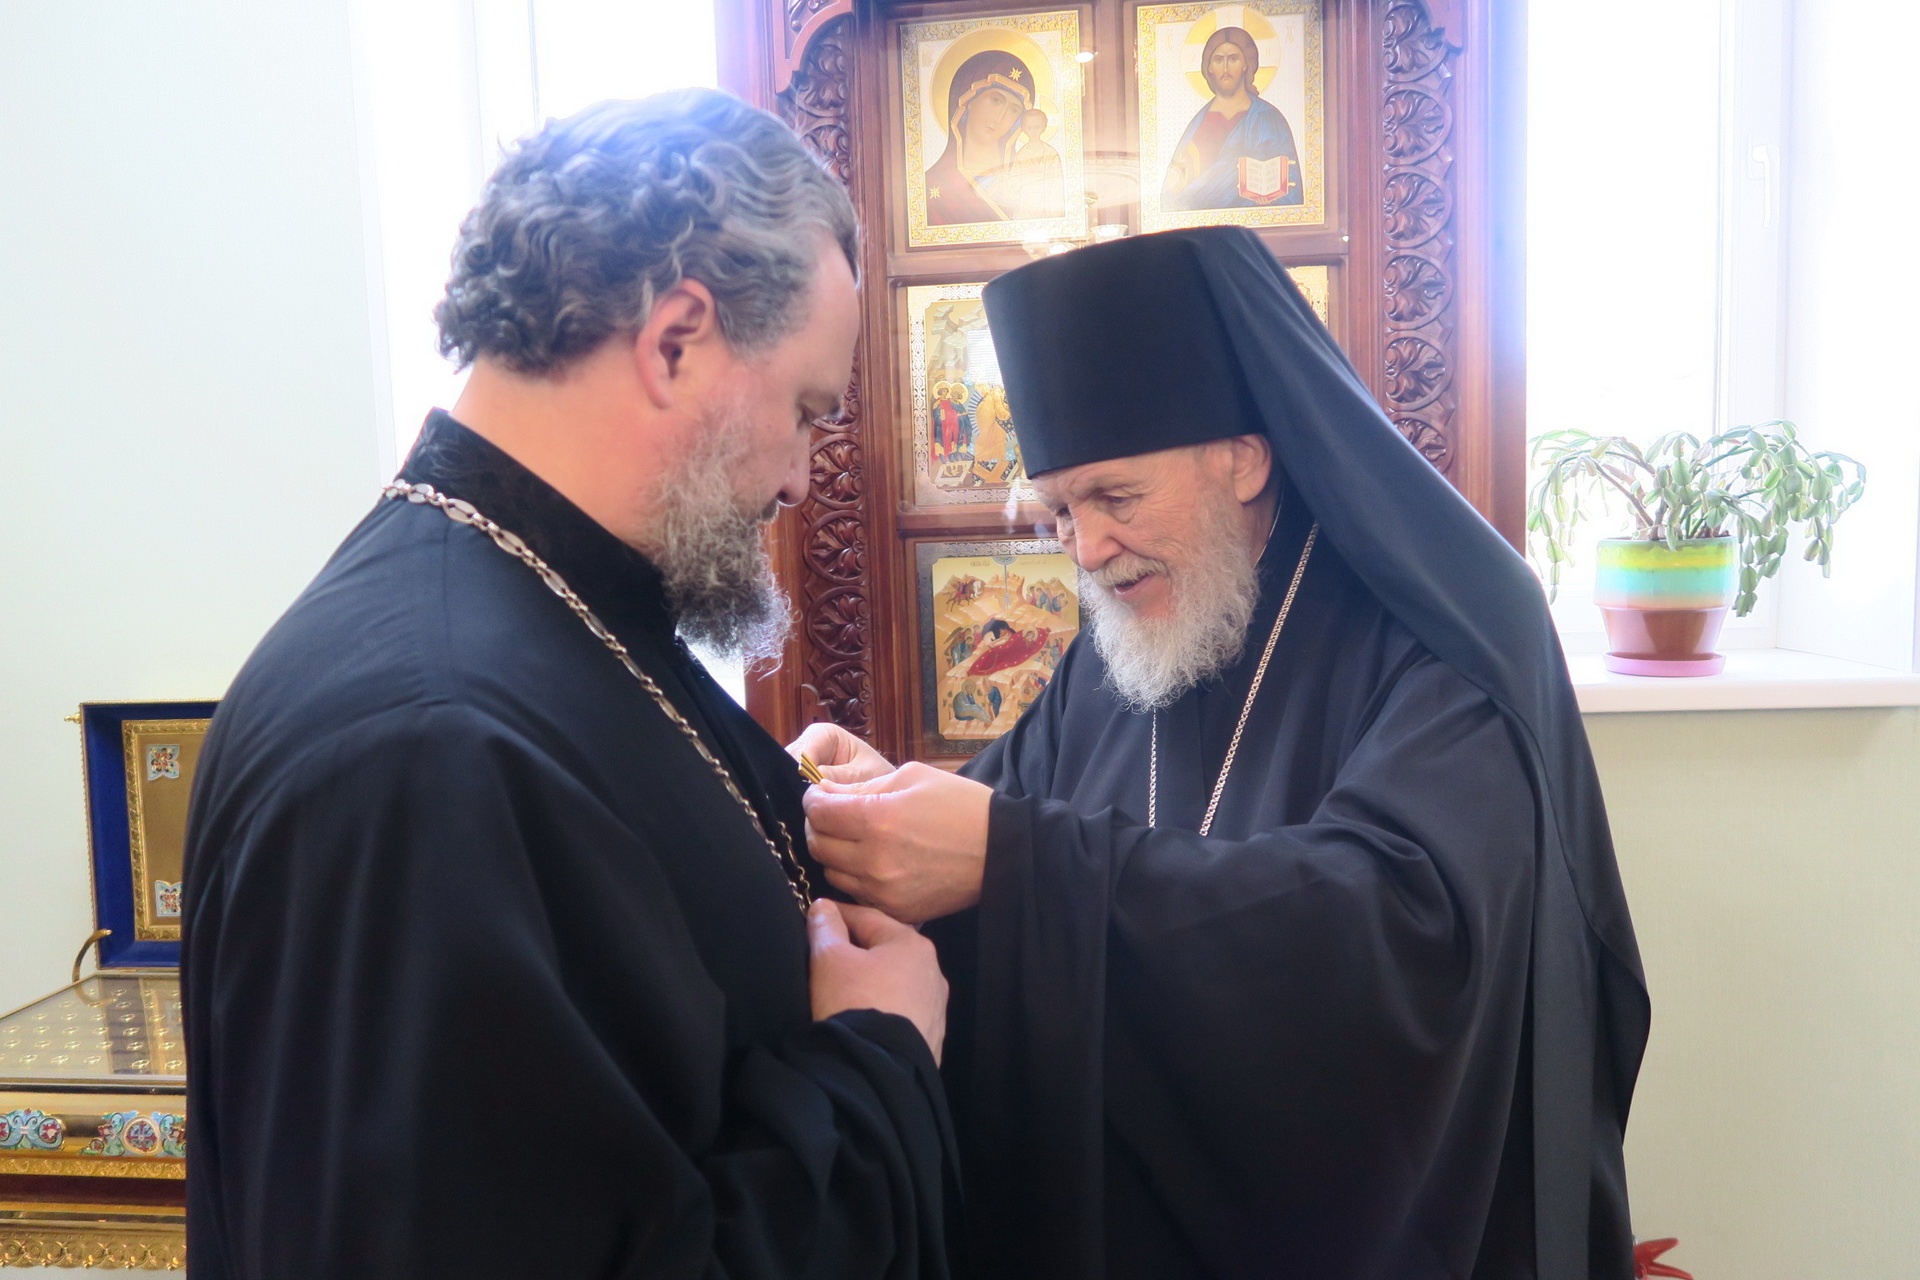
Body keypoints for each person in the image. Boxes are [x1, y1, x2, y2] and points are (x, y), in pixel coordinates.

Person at [182, 91, 955, 1279]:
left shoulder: (567, 607)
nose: (803, 476)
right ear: (677, 338)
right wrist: (876, 1052)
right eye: (807, 410)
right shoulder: (425, 746)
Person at [795, 227, 1649, 1278]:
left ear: (1243, 456)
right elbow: (1008, 815)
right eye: (1059, 511)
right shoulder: (1133, 637)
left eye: (1116, 497)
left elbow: (1403, 929)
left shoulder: (1439, 632)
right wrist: (884, 802)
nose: (1087, 549)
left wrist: (1016, 860)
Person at [1162, 26, 1303, 211]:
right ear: (1209, 67)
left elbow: (1291, 190)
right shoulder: (1198, 123)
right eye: (1218, 60)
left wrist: (1271, 201)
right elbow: (1173, 191)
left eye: (1233, 59)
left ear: (1246, 65)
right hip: (1199, 226)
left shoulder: (1268, 118)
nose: (1225, 68)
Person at [925, 49, 1065, 225]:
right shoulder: (933, 184)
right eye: (996, 100)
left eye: (1014, 110)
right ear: (968, 100)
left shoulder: (1025, 168)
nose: (1000, 118)